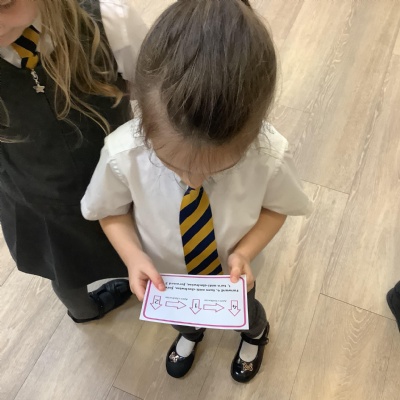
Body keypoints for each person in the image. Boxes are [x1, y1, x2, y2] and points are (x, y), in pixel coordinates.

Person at [81, 0, 312, 382]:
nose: (193, 181)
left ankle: (255, 336)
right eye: (173, 164)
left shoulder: (268, 156)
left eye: (218, 168)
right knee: (182, 320)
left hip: (232, 279)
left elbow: (277, 208)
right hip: (169, 280)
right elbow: (109, 211)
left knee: (247, 314)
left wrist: (244, 252)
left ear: (252, 134)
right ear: (145, 122)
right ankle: (190, 332)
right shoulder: (123, 155)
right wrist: (132, 257)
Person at [0, 0, 147, 322]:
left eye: (5, 5)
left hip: (118, 180)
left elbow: (153, 90)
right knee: (62, 268)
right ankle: (84, 310)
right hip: (33, 199)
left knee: (133, 244)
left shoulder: (109, 21)